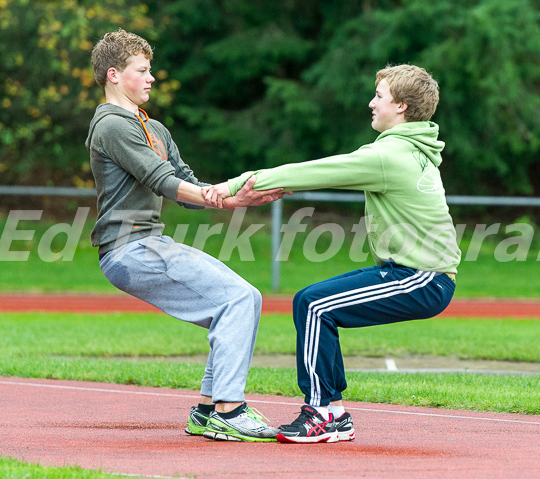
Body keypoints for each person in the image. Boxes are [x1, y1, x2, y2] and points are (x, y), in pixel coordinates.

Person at [204, 64, 461, 443]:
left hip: (421, 278)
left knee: (314, 306)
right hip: (418, 274)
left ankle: (320, 413)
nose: (371, 103)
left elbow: (311, 171)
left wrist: (233, 185)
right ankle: (334, 413)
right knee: (315, 304)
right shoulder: (414, 148)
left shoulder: (390, 156)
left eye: (379, 96)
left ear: (402, 107)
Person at [87, 29, 285, 442]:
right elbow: (163, 182)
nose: (151, 78)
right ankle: (228, 413)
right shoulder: (110, 124)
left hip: (147, 244)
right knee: (237, 299)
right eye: (142, 70)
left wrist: (238, 197)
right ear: (113, 75)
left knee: (236, 302)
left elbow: (189, 188)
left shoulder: (153, 127)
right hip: (130, 248)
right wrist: (223, 197)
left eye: (150, 69)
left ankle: (210, 410)